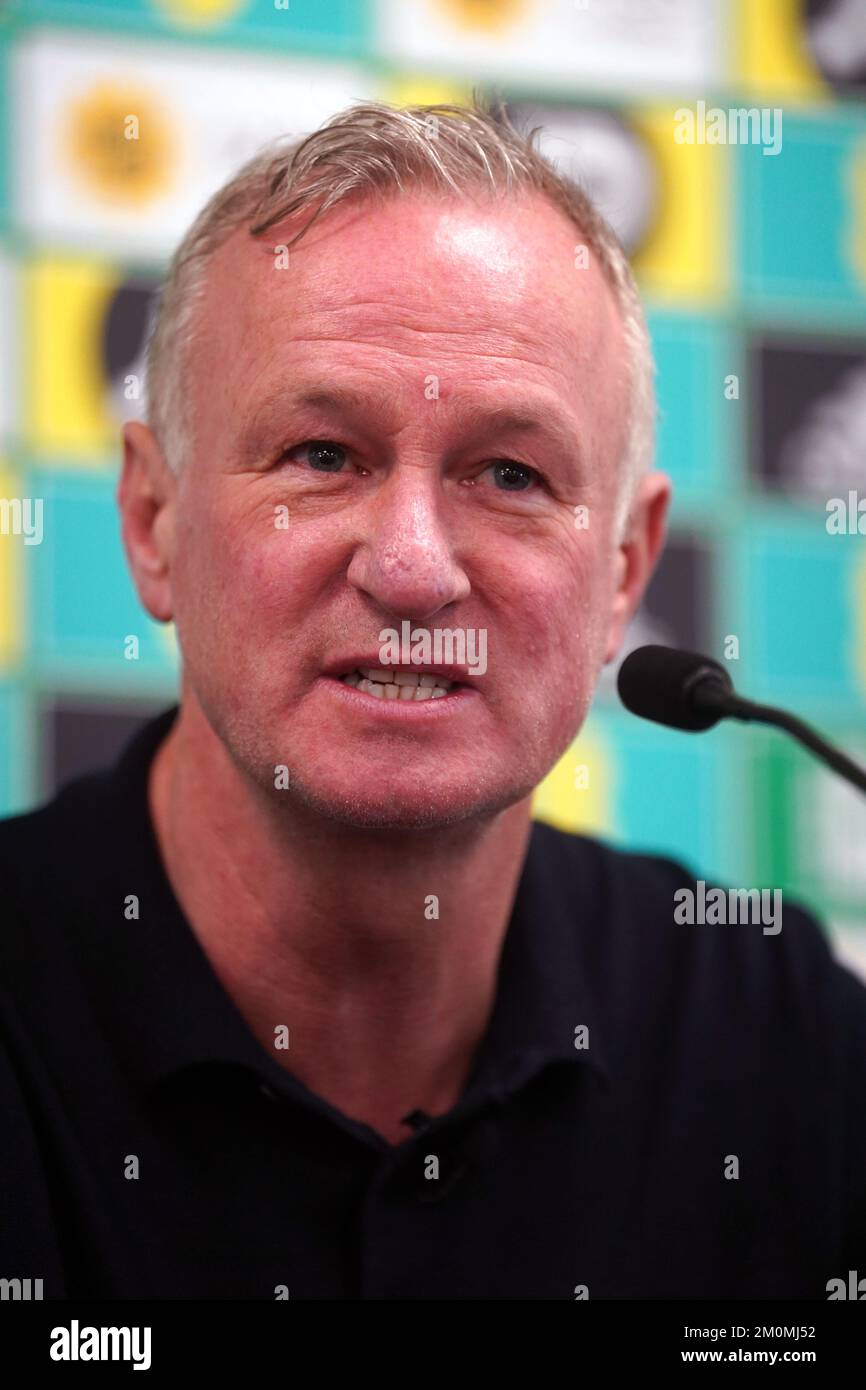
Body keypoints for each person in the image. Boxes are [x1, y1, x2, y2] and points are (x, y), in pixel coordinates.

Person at [1, 99, 863, 1301]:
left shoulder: (783, 1042)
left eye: (508, 473)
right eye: (321, 455)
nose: (411, 565)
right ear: (153, 522)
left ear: (624, 566)